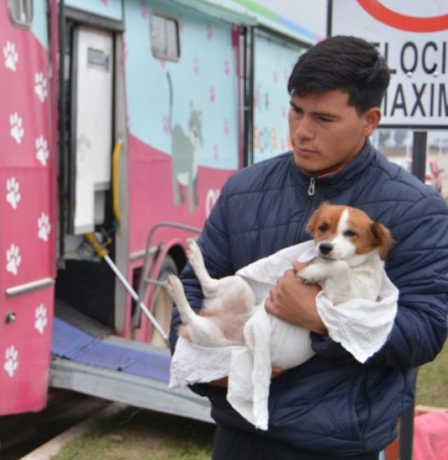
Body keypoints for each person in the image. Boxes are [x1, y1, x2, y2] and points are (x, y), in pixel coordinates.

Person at [169, 35, 448, 459]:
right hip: (239, 437)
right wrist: (212, 368)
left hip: (336, 446)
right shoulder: (244, 190)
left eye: (323, 118)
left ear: (369, 120)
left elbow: (424, 332)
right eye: (296, 111)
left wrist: (324, 321)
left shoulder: (415, 210)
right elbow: (192, 294)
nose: (302, 131)